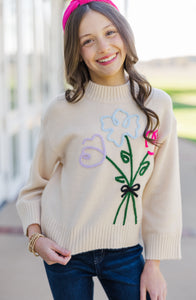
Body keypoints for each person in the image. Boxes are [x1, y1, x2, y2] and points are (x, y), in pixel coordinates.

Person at [16, 0, 182, 299]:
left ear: (124, 34)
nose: (103, 47)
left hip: (126, 253)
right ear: (76, 51)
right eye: (88, 41)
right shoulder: (61, 110)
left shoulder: (157, 106)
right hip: (63, 251)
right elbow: (34, 186)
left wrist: (154, 265)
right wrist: (36, 237)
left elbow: (162, 191)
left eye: (110, 32)